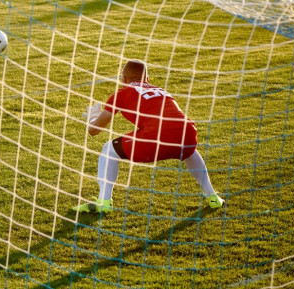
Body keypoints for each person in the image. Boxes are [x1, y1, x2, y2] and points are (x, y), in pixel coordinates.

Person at [77, 60, 224, 213]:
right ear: (147, 79)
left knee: (109, 149)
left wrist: (92, 118)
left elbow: (94, 131)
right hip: (188, 133)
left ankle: (104, 201)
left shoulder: (121, 93)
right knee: (189, 150)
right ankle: (212, 196)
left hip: (156, 135)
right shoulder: (161, 90)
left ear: (124, 79)